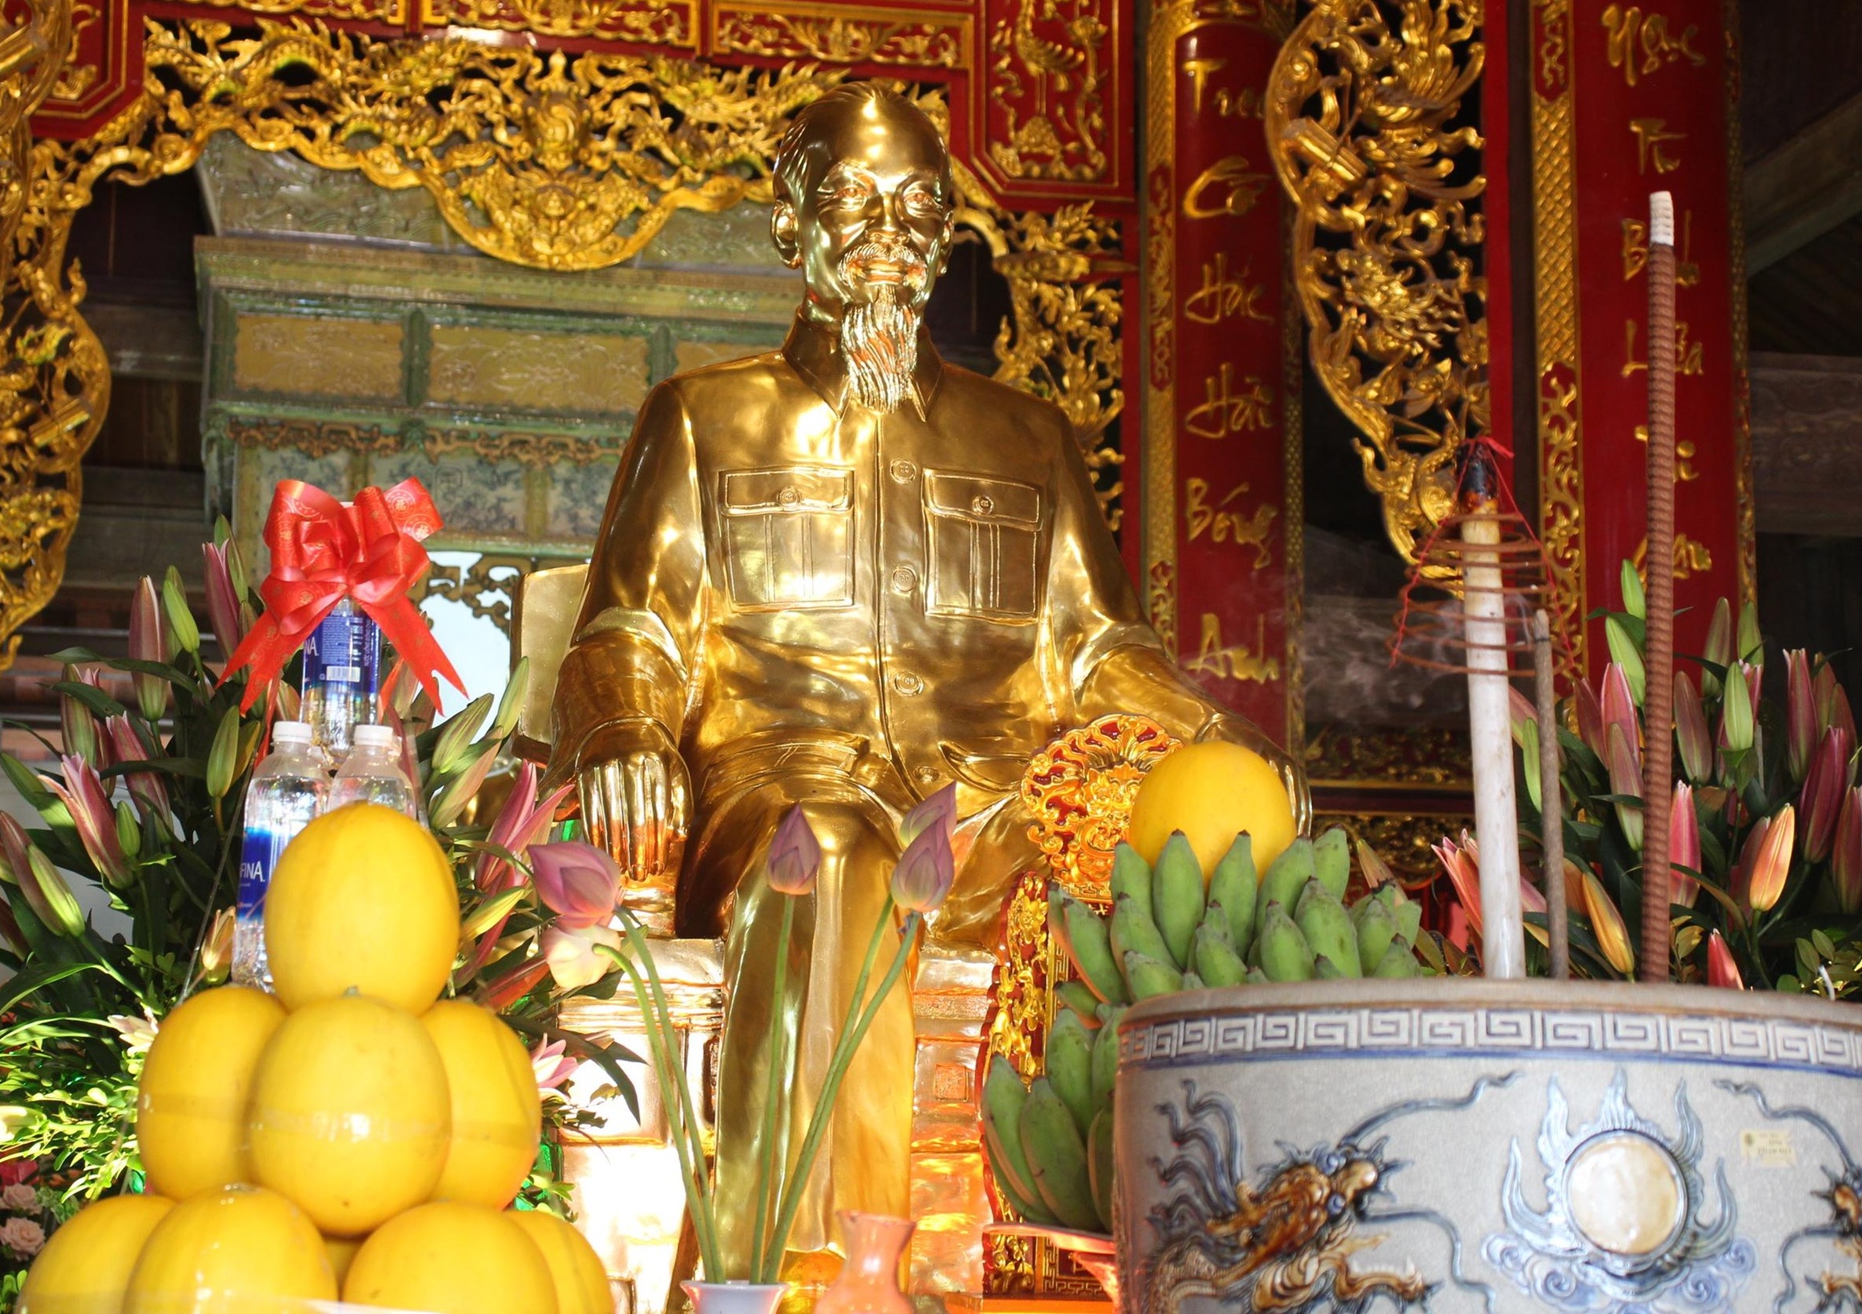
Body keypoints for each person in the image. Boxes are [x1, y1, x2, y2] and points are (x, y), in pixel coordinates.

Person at [547, 81, 1301, 1277]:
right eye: (852, 200)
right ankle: (809, 1278)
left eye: (916, 207)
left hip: (993, 808)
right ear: (791, 223)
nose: (888, 233)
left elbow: (1097, 651)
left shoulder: (1027, 439)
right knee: (829, 853)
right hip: (784, 792)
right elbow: (630, 631)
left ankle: (1172, 1273)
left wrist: (1213, 730)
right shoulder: (702, 418)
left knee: (1156, 863)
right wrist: (619, 729)